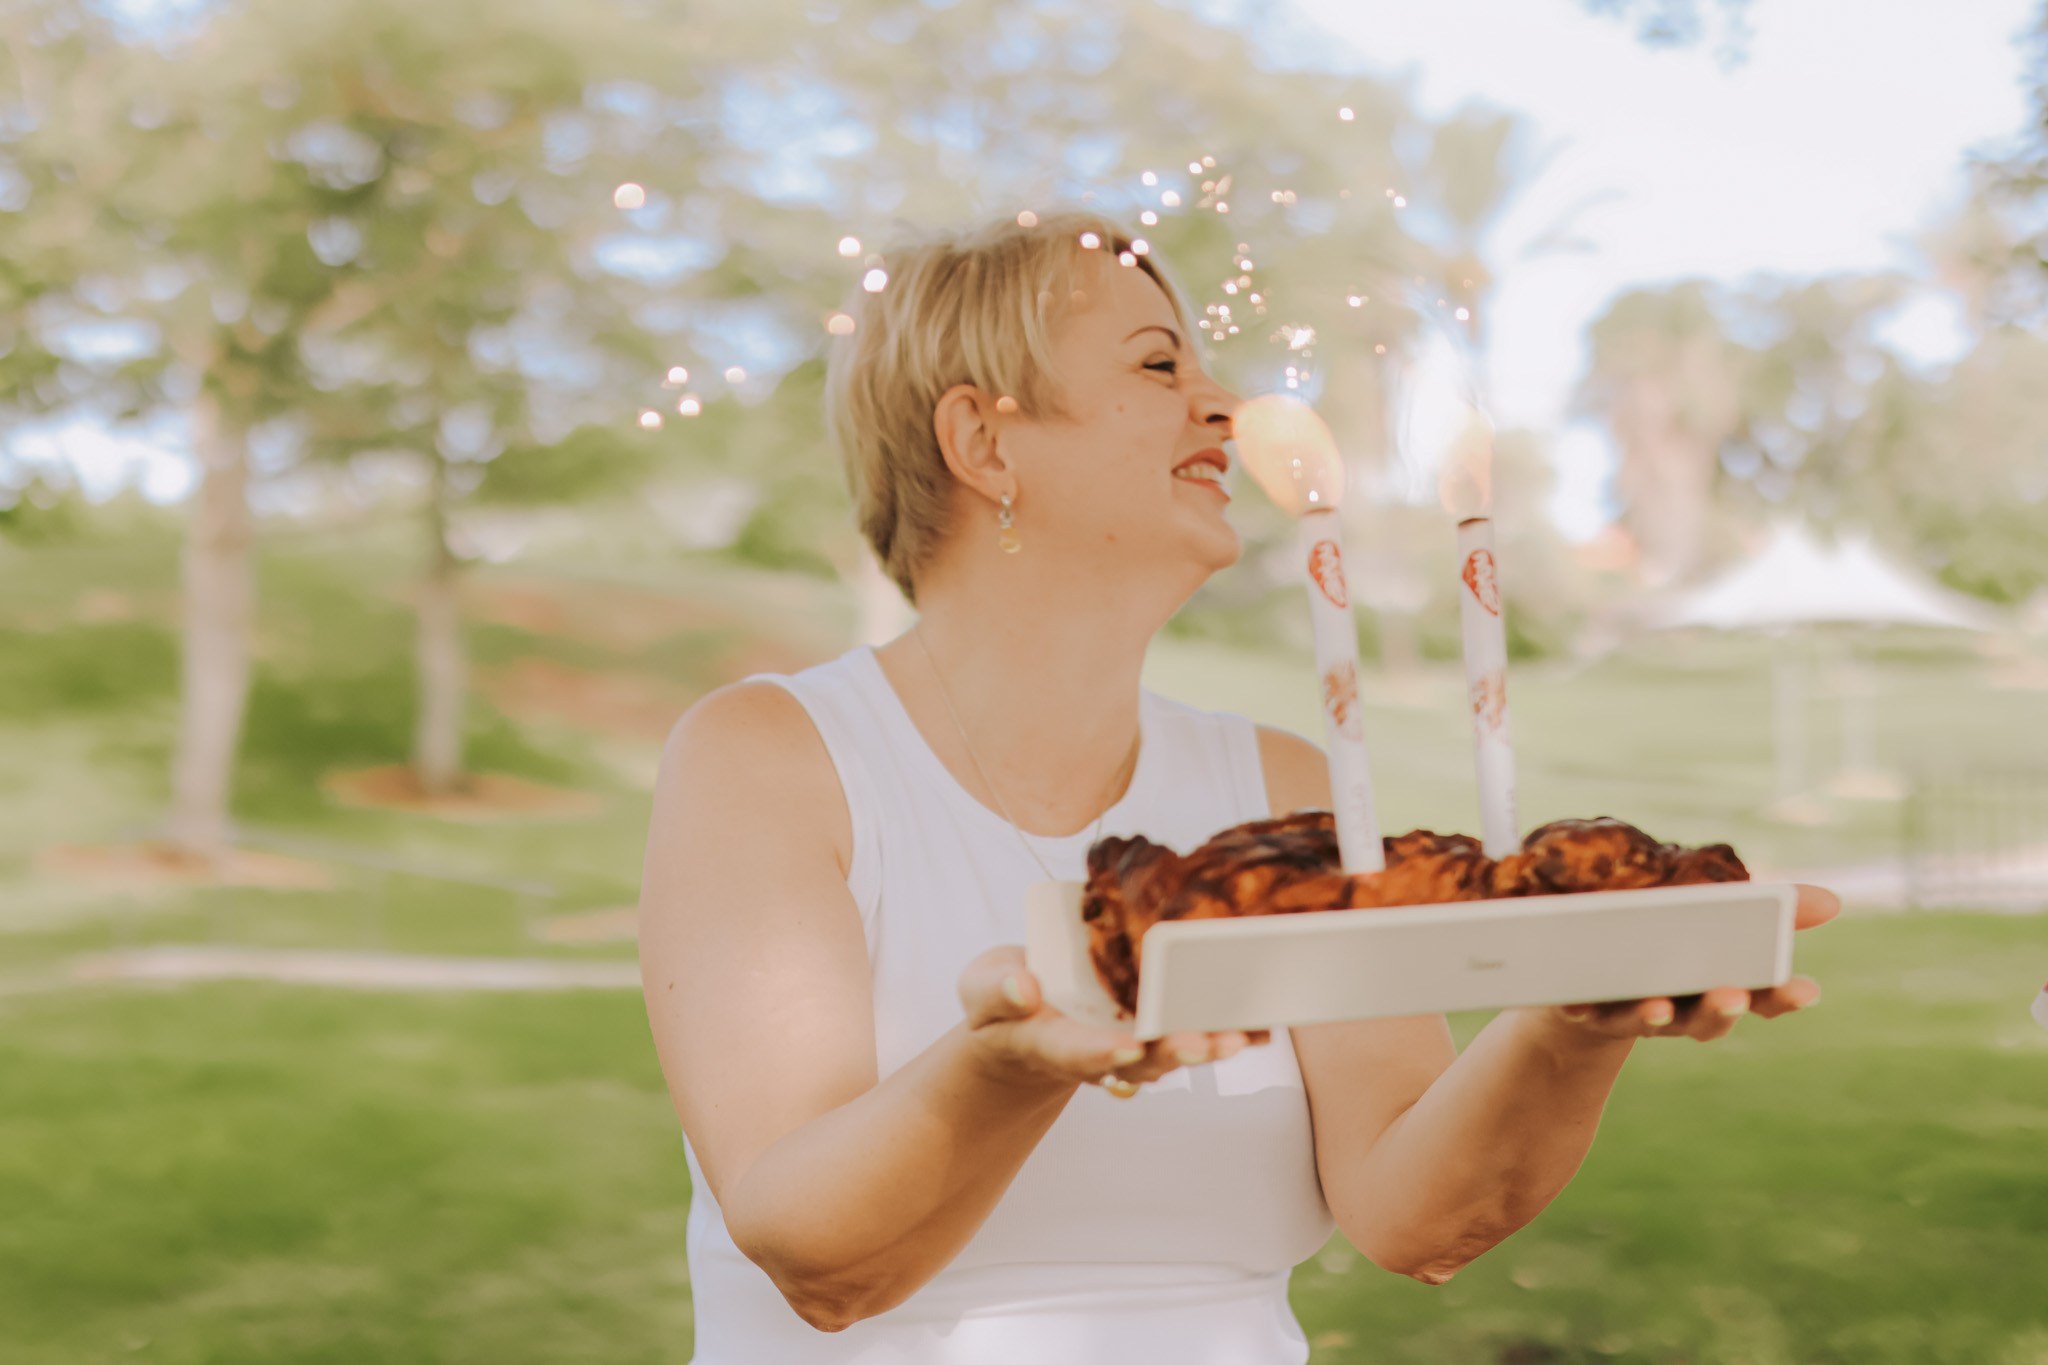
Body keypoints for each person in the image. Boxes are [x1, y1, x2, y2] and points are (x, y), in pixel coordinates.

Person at [636, 209, 1840, 1364]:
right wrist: (1011, 1065)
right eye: (1158, 366)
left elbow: (1415, 1218)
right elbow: (815, 1261)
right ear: (984, 442)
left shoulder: (1277, 787)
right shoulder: (770, 756)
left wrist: (1575, 1019)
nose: (1226, 406)